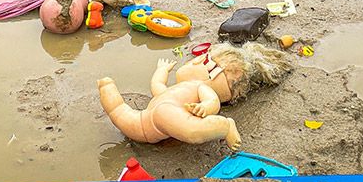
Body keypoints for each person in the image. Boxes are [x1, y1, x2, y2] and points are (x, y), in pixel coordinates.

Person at [97, 42, 291, 148]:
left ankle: (224, 125)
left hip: (165, 114)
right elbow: (157, 85)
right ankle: (107, 87)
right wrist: (162, 70)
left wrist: (205, 108)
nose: (194, 61)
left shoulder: (200, 86)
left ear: (205, 66)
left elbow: (212, 100)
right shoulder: (178, 90)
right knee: (119, 111)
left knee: (191, 131)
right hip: (152, 114)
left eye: (200, 59)